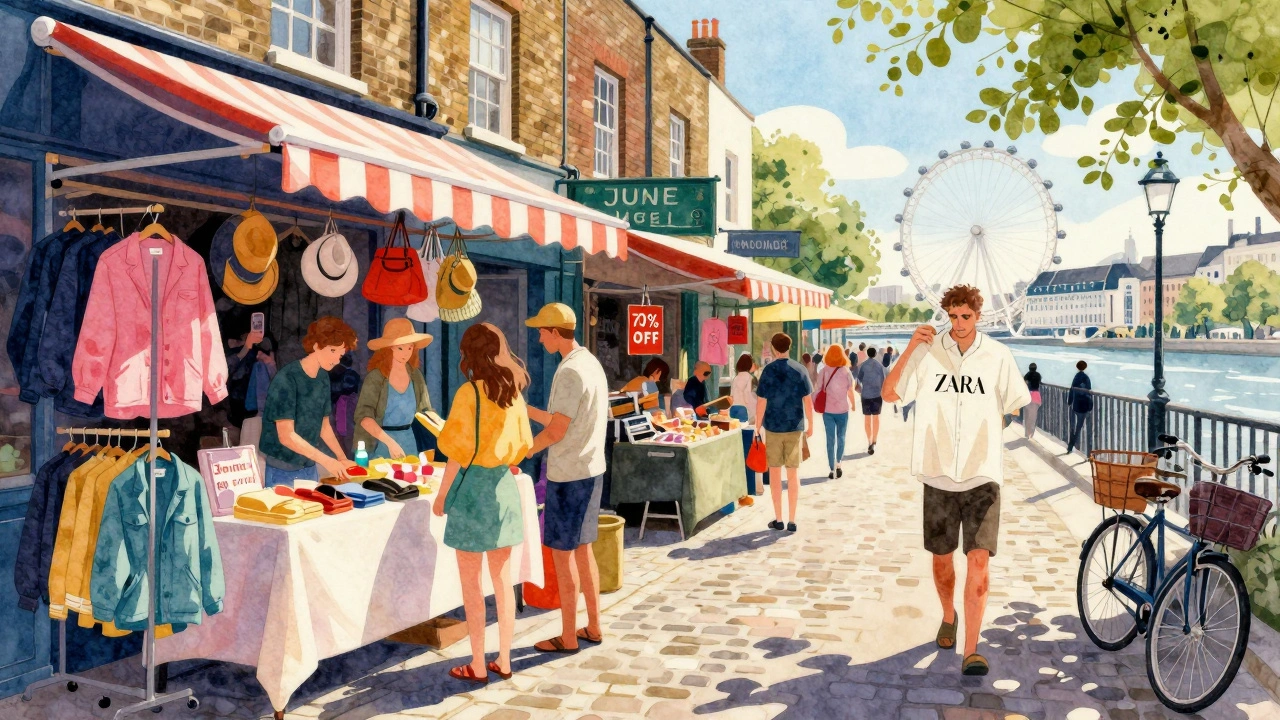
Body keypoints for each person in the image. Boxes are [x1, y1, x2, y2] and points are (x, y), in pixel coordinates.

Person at [882, 284, 1029, 677]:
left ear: (978, 316)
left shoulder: (999, 356)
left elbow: (1016, 404)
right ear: (946, 315)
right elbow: (890, 392)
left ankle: (972, 649)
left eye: (966, 317)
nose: (960, 324)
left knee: (979, 562)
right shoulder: (928, 351)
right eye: (953, 316)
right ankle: (948, 615)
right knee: (942, 560)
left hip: (983, 475)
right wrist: (910, 347)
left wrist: (989, 431)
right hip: (939, 472)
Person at [433, 323, 531, 684]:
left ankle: (477, 664)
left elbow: (456, 455)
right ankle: (504, 660)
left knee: (471, 585)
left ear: (469, 354)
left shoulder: (468, 394)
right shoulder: (513, 394)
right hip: (503, 487)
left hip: (473, 492)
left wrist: (442, 496)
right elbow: (523, 446)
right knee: (503, 582)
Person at [525, 303, 608, 654]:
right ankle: (594, 626)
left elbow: (557, 430)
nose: (540, 336)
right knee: (585, 552)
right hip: (591, 470)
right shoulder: (590, 363)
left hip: (568, 475)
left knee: (562, 556)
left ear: (556, 333)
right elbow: (565, 420)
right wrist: (524, 409)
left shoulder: (569, 372)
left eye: (542, 331)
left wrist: (527, 449)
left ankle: (569, 636)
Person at [259, 317, 358, 487]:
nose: (336, 360)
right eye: (332, 351)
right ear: (316, 346)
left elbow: (324, 426)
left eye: (340, 355)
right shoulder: (286, 378)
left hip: (309, 467)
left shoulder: (322, 377)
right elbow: (286, 436)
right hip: (282, 469)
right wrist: (327, 461)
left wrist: (341, 458)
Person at [755, 333, 814, 533]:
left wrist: (757, 426)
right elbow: (808, 401)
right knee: (793, 474)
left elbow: (761, 401)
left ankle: (778, 518)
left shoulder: (768, 371)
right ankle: (792, 520)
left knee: (774, 473)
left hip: (773, 428)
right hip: (795, 427)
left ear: (773, 348)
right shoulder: (800, 370)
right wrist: (811, 424)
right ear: (789, 346)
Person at [354, 318, 435, 460]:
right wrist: (390, 443)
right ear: (389, 348)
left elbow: (425, 411)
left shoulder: (416, 375)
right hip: (380, 443)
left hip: (409, 442)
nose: (406, 353)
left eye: (410, 348)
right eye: (400, 348)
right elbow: (364, 417)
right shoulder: (376, 377)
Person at [814, 344, 855, 479]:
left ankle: (831, 469)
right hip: (843, 410)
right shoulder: (846, 371)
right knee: (841, 437)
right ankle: (839, 464)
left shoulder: (824, 371)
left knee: (830, 439)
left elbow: (818, 388)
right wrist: (853, 404)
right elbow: (850, 390)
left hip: (828, 410)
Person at [729, 353, 761, 499]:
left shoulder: (735, 378)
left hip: (734, 409)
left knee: (736, 444)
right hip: (743, 410)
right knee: (747, 447)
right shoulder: (750, 378)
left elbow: (731, 396)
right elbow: (749, 396)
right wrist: (752, 413)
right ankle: (749, 488)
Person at [855, 346, 888, 455]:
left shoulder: (863, 366)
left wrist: (861, 390)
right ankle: (874, 440)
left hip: (866, 395)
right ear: (874, 354)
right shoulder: (880, 366)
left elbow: (858, 380)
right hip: (877, 395)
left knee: (867, 419)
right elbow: (884, 380)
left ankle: (869, 441)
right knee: (876, 418)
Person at [1066, 360, 1093, 454]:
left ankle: (1070, 446)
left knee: (1073, 426)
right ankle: (1075, 446)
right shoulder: (1086, 378)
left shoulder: (1076, 377)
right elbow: (1089, 391)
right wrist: (1090, 406)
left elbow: (1072, 389)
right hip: (1084, 405)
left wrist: (1069, 402)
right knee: (1079, 427)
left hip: (1076, 404)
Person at [1023, 363, 1042, 441]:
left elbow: (1024, 383)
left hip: (1028, 396)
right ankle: (1031, 433)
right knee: (1033, 417)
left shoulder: (1027, 375)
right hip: (1035, 396)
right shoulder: (1038, 375)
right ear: (1036, 368)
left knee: (1027, 416)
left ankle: (1027, 433)